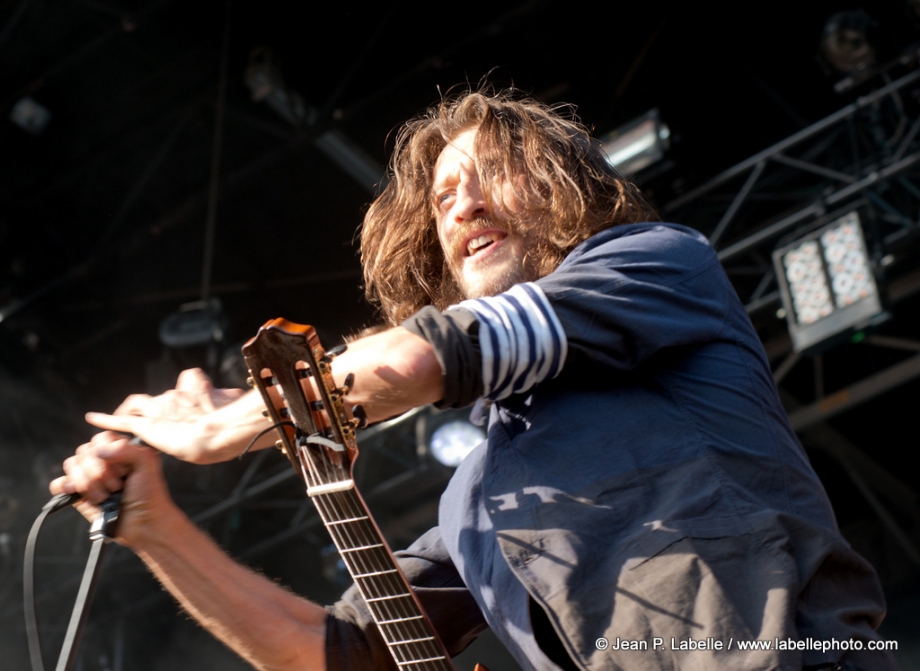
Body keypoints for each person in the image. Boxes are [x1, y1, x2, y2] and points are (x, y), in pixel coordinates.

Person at [52, 91, 897, 671]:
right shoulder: (476, 498)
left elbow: (421, 359)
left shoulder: (652, 266)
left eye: (491, 171)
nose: (459, 205)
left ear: (568, 190)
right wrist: (156, 527)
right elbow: (338, 652)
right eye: (442, 197)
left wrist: (218, 431)